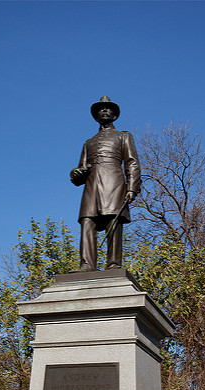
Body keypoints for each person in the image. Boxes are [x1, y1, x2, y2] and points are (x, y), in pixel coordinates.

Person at [70, 96, 141, 271]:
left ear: (115, 115)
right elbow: (80, 172)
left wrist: (132, 187)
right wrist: (76, 173)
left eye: (108, 108)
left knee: (113, 221)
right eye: (100, 109)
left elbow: (132, 162)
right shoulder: (88, 143)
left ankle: (114, 264)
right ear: (95, 117)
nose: (104, 111)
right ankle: (86, 265)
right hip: (91, 187)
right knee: (87, 221)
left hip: (114, 184)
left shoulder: (123, 136)